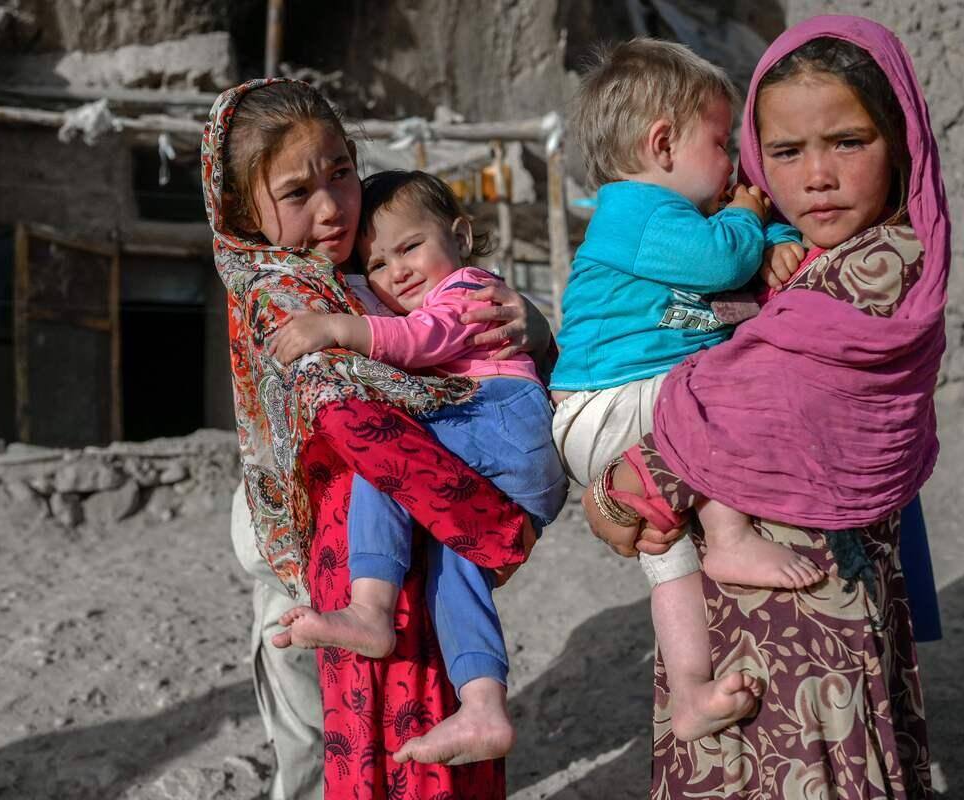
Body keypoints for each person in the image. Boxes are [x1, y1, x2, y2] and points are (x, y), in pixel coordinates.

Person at [584, 15, 945, 798]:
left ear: (901, 138)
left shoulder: (881, 268)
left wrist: (632, 483)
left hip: (810, 611)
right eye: (785, 152)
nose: (817, 174)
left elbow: (757, 398)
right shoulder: (796, 255)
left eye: (848, 141)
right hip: (736, 608)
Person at [204, 78, 545, 799]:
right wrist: (490, 519)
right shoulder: (284, 293)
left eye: (341, 174)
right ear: (243, 210)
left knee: (421, 723)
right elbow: (357, 411)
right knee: (324, 744)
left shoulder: (358, 268)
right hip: (320, 557)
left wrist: (525, 318)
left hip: (392, 544)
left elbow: (454, 323)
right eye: (297, 193)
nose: (332, 207)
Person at [548, 37, 819, 741]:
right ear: (663, 143)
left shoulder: (674, 214)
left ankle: (692, 691)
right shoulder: (635, 210)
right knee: (718, 388)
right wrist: (755, 221)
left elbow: (737, 259)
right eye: (720, 142)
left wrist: (779, 234)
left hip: (617, 413)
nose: (733, 165)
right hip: (616, 401)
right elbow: (720, 256)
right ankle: (729, 535)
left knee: (668, 563)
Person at [264, 169, 569, 766]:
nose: (396, 272)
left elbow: (420, 339)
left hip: (501, 421)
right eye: (379, 264)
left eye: (410, 247)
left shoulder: (470, 288)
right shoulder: (415, 287)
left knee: (388, 448)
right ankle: (484, 705)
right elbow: (363, 293)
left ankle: (370, 608)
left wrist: (333, 327)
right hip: (504, 456)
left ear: (460, 235)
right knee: (454, 579)